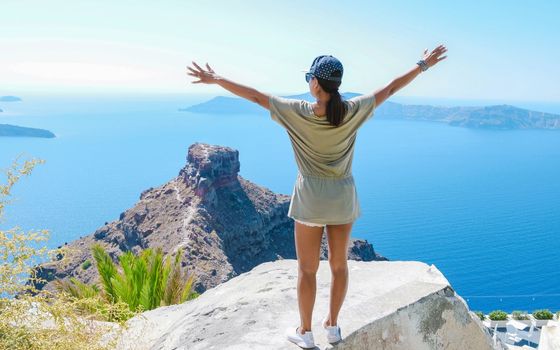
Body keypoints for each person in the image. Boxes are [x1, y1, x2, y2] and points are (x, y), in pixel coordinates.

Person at [186, 44, 447, 348]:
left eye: (310, 76)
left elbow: (256, 96)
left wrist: (216, 78)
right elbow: (389, 89)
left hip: (310, 198)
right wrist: (422, 64)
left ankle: (306, 332)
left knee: (307, 269)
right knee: (339, 265)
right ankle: (333, 326)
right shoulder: (352, 111)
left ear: (315, 83)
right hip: (342, 197)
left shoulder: (297, 113)